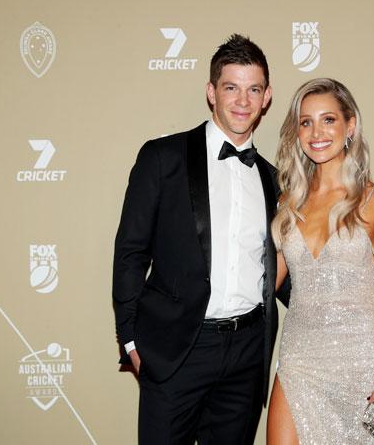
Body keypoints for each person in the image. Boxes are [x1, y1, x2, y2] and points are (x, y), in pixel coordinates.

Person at [112, 34, 288, 444]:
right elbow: (130, 252)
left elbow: (282, 270)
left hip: (247, 353)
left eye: (253, 89)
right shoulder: (162, 158)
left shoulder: (274, 179)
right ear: (211, 92)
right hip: (177, 348)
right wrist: (130, 337)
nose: (242, 100)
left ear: (266, 98)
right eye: (231, 87)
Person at [266, 78, 374, 444]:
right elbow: (262, 286)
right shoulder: (287, 205)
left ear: (350, 126)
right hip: (300, 362)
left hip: (364, 363)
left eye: (328, 120)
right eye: (305, 122)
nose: (316, 132)